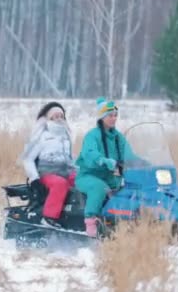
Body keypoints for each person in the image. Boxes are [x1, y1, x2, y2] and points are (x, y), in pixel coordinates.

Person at [75, 97, 135, 237]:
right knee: (99, 188)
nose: (113, 118)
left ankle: (123, 221)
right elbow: (89, 152)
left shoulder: (118, 137)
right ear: (102, 117)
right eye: (110, 115)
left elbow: (128, 153)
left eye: (115, 115)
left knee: (129, 189)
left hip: (109, 177)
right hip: (88, 176)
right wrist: (102, 160)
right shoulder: (92, 135)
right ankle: (90, 222)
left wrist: (142, 162)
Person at [20, 102, 77, 227]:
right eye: (55, 116)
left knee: (83, 181)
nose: (59, 119)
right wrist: (34, 179)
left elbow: (71, 158)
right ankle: (49, 217)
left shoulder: (66, 136)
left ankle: (80, 216)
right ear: (49, 118)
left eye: (61, 116)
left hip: (66, 171)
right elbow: (27, 159)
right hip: (47, 173)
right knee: (60, 184)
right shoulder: (41, 136)